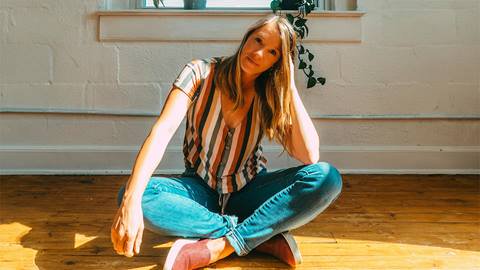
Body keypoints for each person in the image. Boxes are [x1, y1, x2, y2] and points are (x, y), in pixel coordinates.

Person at [111, 14, 343, 270]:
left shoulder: (269, 96)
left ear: (277, 62)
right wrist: (131, 203)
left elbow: (309, 155)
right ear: (247, 36)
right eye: (258, 40)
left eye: (272, 52)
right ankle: (258, 237)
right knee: (133, 194)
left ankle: (224, 244)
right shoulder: (199, 72)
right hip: (199, 190)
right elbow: (162, 131)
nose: (258, 53)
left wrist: (288, 83)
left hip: (249, 190)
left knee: (327, 177)